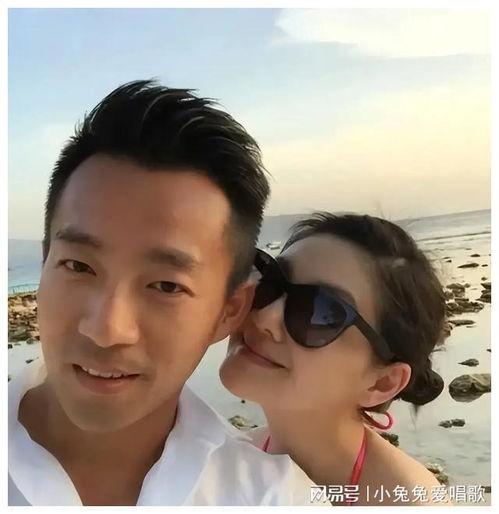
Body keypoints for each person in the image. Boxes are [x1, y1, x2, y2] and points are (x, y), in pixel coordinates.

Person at [8, 80, 315, 506]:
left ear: (228, 312)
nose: (106, 330)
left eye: (167, 285)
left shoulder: (273, 498)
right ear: (45, 264)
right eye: (78, 266)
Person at [220, 212, 452, 506]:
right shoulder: (222, 460)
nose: (265, 316)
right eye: (268, 283)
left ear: (382, 383)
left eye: (319, 312)